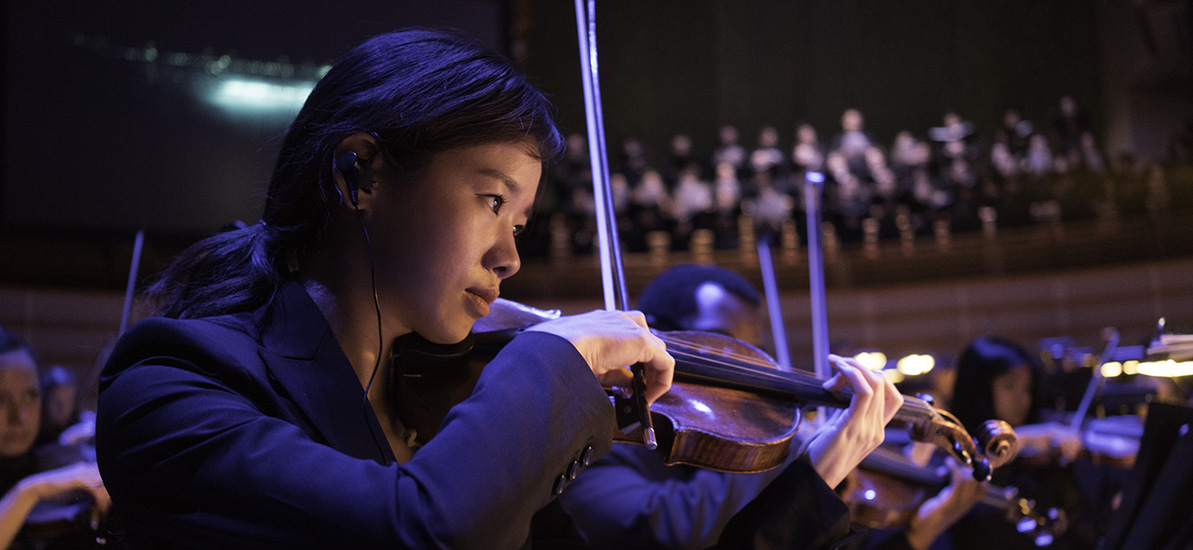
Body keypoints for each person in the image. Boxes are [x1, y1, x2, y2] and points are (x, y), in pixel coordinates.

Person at [94, 28, 898, 549]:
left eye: (521, 220)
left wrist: (813, 480)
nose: (511, 259)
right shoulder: (172, 391)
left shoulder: (447, 409)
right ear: (359, 174)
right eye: (491, 202)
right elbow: (414, 531)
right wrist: (548, 365)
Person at [562, 265, 971, 550]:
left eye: (746, 352)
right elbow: (665, 528)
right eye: (720, 344)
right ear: (650, 331)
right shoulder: (592, 431)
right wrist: (795, 457)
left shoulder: (712, 442)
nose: (735, 371)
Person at [944, 335, 1103, 550]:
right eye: (1010, 387)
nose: (1024, 400)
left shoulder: (1042, 451)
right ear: (979, 390)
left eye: (1027, 389)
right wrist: (1023, 437)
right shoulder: (952, 455)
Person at [0, 326, 110, 549]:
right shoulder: (44, 480)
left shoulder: (51, 458)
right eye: (1, 398)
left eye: (30, 396)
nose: (19, 416)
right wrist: (30, 490)